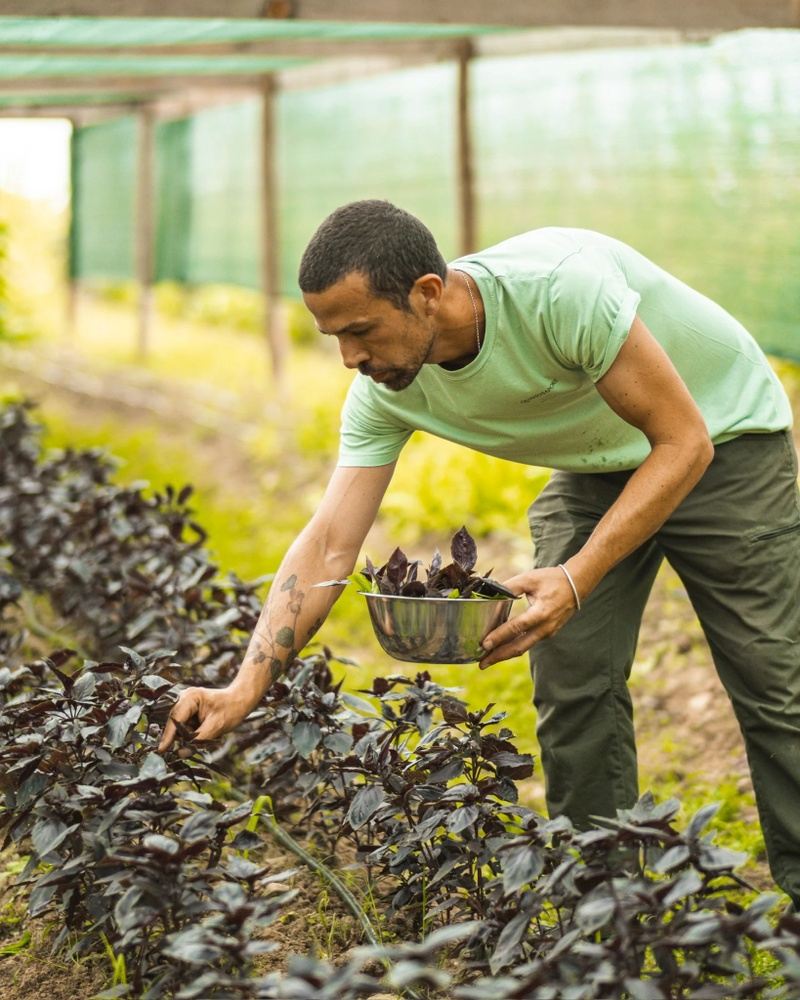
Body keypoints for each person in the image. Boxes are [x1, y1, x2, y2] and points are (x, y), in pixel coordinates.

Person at [160, 200, 799, 906]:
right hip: (598, 462)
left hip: (722, 436)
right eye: (334, 337)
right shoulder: (384, 390)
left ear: (428, 293)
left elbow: (684, 443)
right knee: (572, 675)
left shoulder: (559, 292)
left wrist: (577, 576)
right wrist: (241, 690)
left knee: (774, 683)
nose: (350, 358)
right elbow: (330, 543)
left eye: (361, 330)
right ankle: (602, 911)